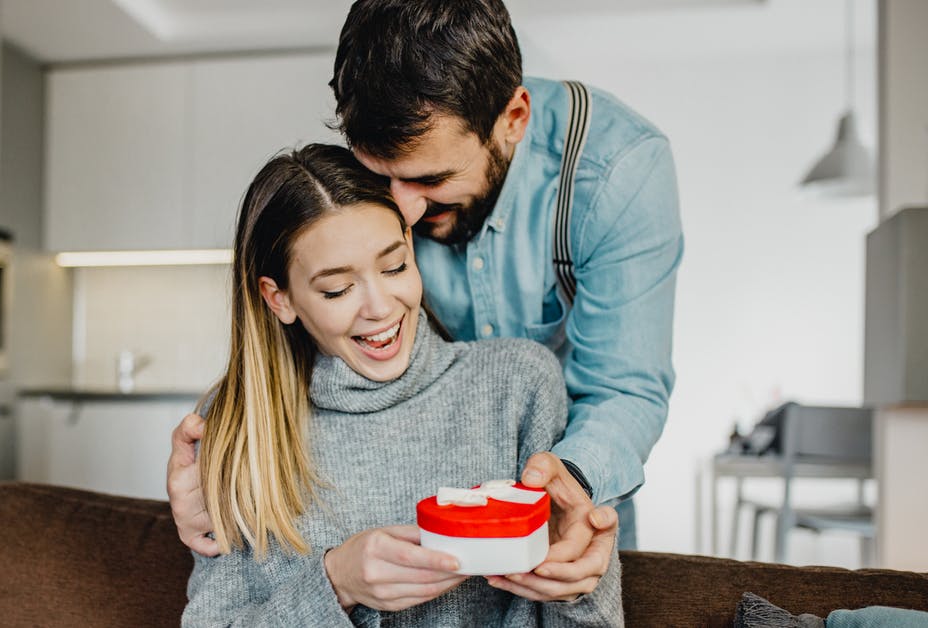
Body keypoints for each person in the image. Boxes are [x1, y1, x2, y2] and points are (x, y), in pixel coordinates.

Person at [170, 0, 682, 600]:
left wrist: (567, 491)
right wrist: (227, 466)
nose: (404, 211)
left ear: (512, 118)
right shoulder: (393, 176)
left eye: (431, 181)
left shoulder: (618, 172)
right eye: (380, 174)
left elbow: (625, 389)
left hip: (568, 474)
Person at [182, 143, 621, 627]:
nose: (380, 306)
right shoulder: (238, 425)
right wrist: (335, 584)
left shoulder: (517, 386)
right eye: (337, 289)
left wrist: (577, 586)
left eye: (394, 266)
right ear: (280, 298)